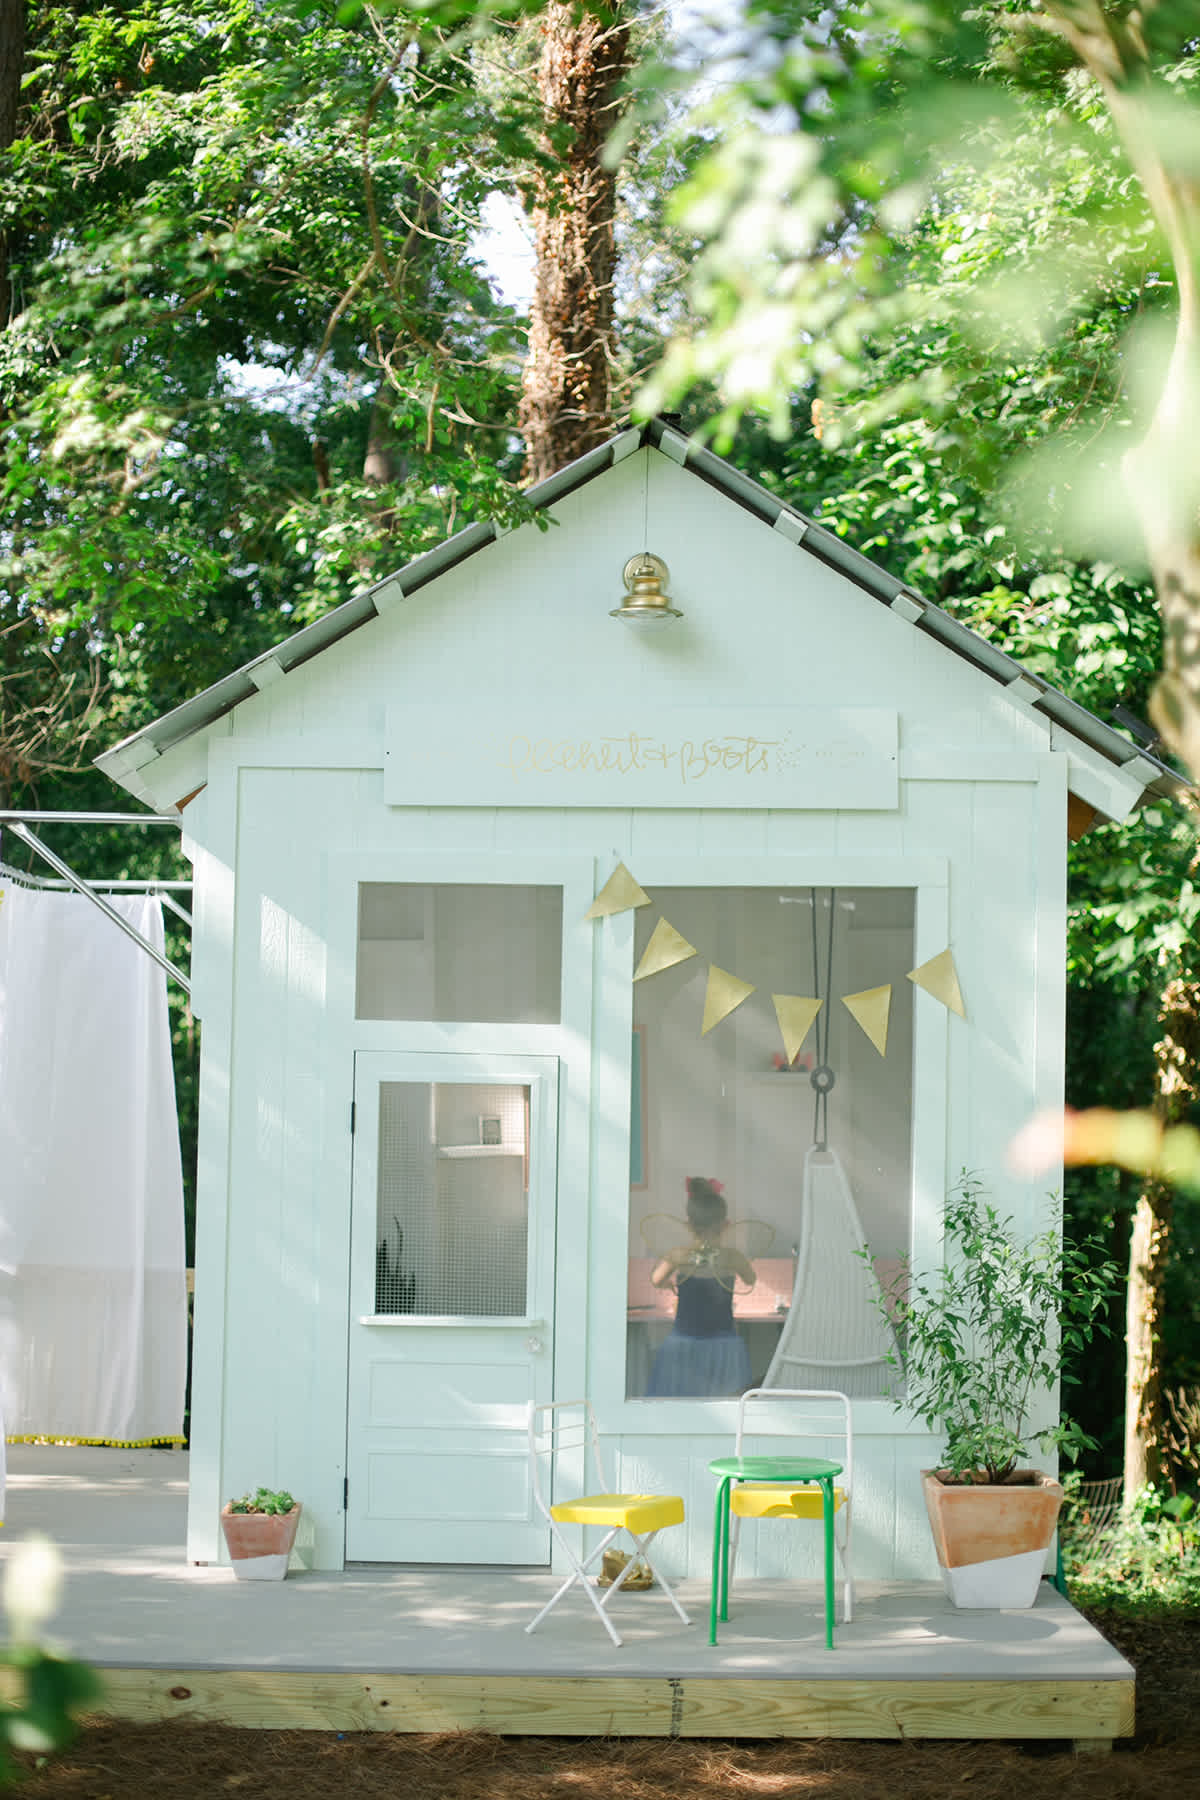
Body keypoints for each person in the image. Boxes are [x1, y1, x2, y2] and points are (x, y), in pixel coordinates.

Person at [646, 1176, 756, 1397]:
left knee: (682, 1402)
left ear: (688, 1225)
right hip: (723, 1344)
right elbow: (750, 1279)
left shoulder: (678, 1255)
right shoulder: (732, 1257)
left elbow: (656, 1279)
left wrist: (668, 1284)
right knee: (725, 1404)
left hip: (685, 1340)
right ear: (725, 1225)